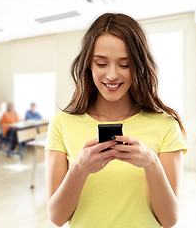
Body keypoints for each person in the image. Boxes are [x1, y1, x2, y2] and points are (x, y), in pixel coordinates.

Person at [45, 13, 187, 228]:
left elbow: (169, 220)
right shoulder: (62, 124)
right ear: (88, 65)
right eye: (101, 63)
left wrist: (151, 163)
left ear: (139, 66)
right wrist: (79, 170)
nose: (112, 75)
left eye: (124, 65)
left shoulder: (166, 125)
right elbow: (56, 217)